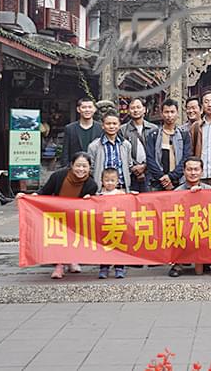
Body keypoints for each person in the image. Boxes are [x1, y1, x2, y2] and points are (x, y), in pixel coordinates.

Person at [17, 151, 98, 279]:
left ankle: (72, 260)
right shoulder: (58, 176)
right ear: (71, 165)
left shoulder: (91, 184)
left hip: (76, 217)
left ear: (89, 167)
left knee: (74, 239)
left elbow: (93, 205)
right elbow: (44, 191)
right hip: (57, 215)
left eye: (84, 166)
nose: (81, 169)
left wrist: (89, 199)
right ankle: (59, 266)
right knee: (59, 239)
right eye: (78, 165)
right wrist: (27, 197)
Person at [170, 157, 211, 277]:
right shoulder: (177, 192)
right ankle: (178, 264)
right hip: (184, 229)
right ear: (184, 171)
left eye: (196, 169)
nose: (193, 173)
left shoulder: (210, 190)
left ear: (202, 172)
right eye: (189, 169)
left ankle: (206, 261)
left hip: (204, 228)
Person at [146, 98, 191, 191]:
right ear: (161, 114)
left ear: (177, 113)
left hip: (179, 181)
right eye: (166, 112)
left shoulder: (184, 134)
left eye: (172, 112)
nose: (169, 115)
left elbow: (186, 158)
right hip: (158, 182)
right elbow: (150, 158)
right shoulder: (153, 134)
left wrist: (171, 176)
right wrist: (162, 178)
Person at [87, 110, 133, 191]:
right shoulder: (94, 146)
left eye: (114, 124)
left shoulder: (126, 145)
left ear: (119, 125)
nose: (111, 126)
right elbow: (91, 169)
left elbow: (129, 165)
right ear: (103, 126)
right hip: (102, 189)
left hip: (122, 188)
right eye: (108, 124)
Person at [95, 168, 128, 279]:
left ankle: (120, 268)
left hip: (118, 226)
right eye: (107, 180)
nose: (109, 183)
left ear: (117, 181)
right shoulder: (99, 196)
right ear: (102, 181)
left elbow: (130, 202)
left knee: (119, 247)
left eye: (112, 180)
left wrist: (133, 195)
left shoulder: (121, 194)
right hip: (104, 226)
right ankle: (104, 268)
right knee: (104, 248)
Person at [119, 98, 157, 192]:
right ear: (128, 111)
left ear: (144, 109)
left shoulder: (153, 128)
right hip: (130, 173)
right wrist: (134, 167)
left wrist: (144, 166)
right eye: (132, 108)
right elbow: (122, 152)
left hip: (150, 173)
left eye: (138, 107)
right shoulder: (122, 130)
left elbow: (156, 151)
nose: (135, 110)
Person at [61, 98, 102, 167]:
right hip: (76, 168)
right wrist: (67, 168)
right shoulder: (70, 128)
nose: (87, 110)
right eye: (84, 107)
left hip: (95, 167)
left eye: (90, 107)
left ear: (94, 109)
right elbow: (65, 153)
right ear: (78, 109)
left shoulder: (101, 128)